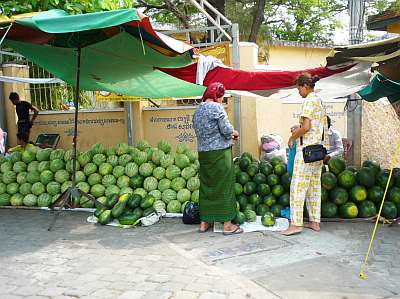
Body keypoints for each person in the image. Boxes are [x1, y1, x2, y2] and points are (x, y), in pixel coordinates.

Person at [192, 82, 242, 235]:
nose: (221, 100)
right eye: (221, 97)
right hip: (220, 154)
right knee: (224, 187)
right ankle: (227, 226)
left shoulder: (198, 110)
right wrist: (235, 133)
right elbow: (226, 130)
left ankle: (204, 222)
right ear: (216, 96)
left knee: (207, 187)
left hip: (204, 154)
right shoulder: (216, 108)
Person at [281, 73, 328, 236]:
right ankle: (315, 221)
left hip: (307, 151)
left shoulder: (308, 100)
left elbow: (306, 127)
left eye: (298, 88)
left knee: (297, 187)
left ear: (305, 86)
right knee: (314, 187)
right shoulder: (319, 101)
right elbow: (317, 126)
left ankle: (296, 224)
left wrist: (293, 136)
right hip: (318, 151)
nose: (298, 92)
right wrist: (299, 127)